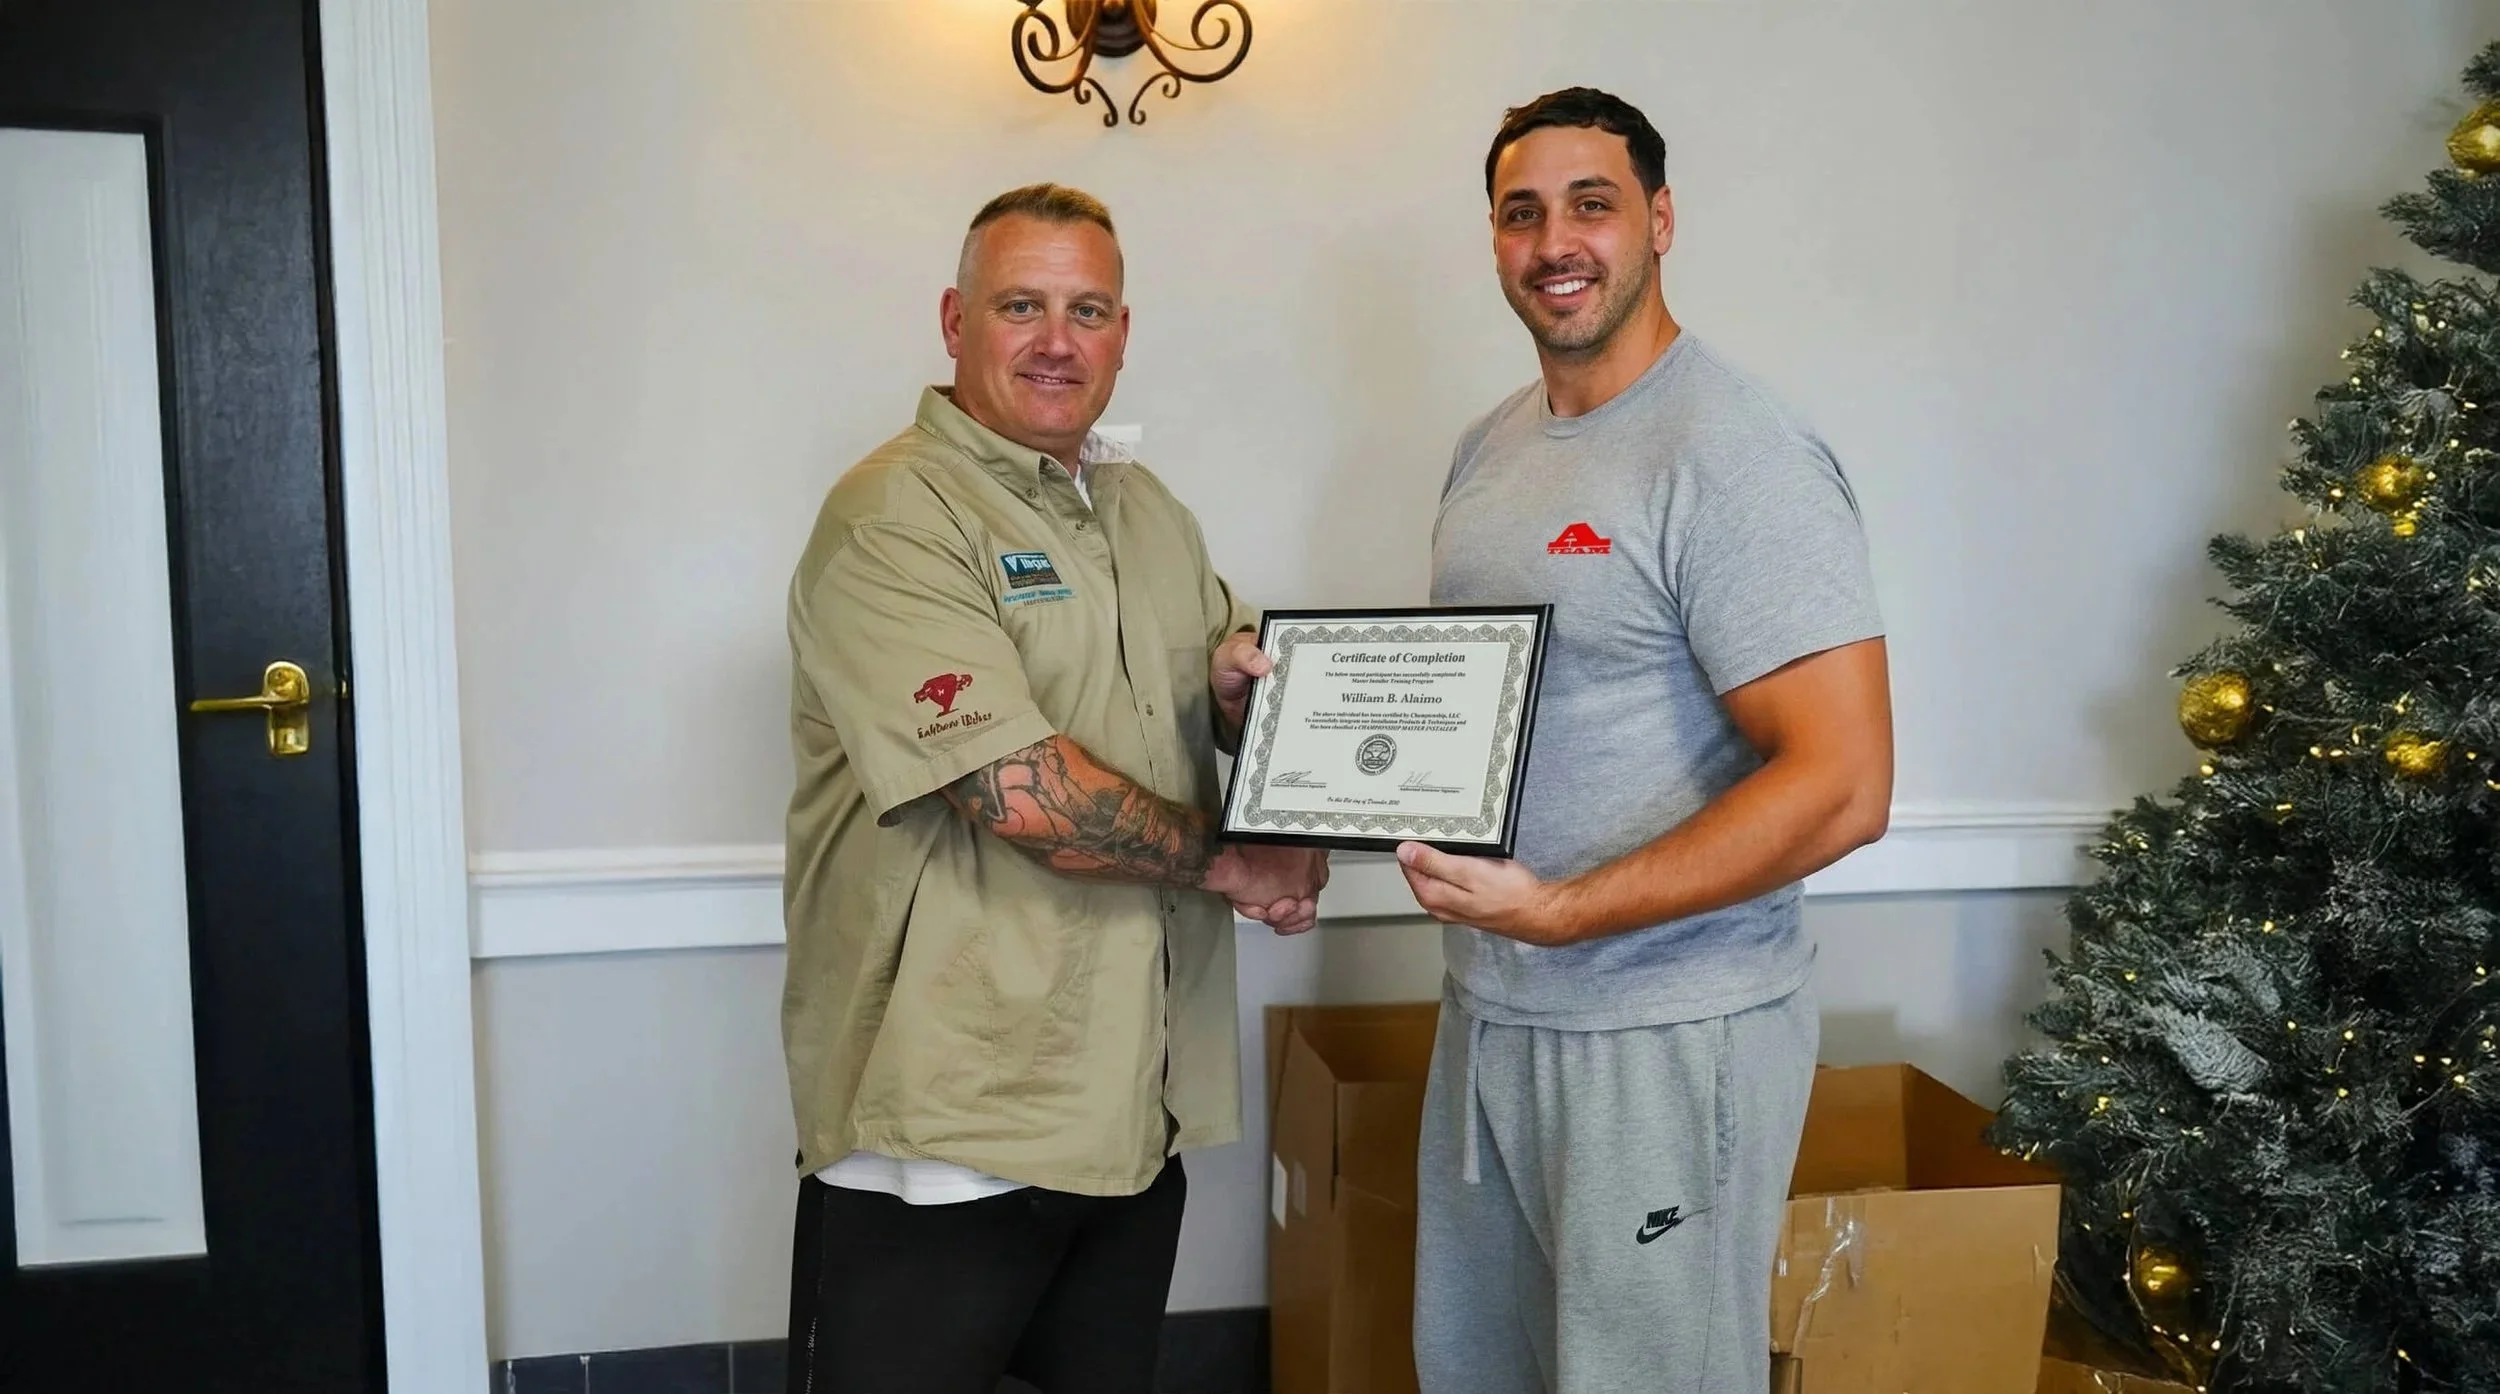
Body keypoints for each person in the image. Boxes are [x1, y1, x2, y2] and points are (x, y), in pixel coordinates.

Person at [777, 182, 1326, 1394]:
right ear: (953, 318)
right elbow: (1020, 791)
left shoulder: (1145, 514)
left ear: (1124, 333)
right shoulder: (893, 516)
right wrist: (1245, 860)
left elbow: (1247, 678)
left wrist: (1258, 707)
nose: (1056, 339)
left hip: (1130, 1109)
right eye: (1021, 304)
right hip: (953, 1119)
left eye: (1088, 309)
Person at [1397, 89, 1895, 1394]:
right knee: (1480, 1368)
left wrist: (1566, 911)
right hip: (1495, 1011)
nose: (1555, 239)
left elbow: (1844, 785)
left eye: (1592, 203)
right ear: (1494, 242)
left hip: (1665, 1029)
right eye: (1522, 213)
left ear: (1660, 221)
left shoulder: (1736, 450)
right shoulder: (1491, 447)